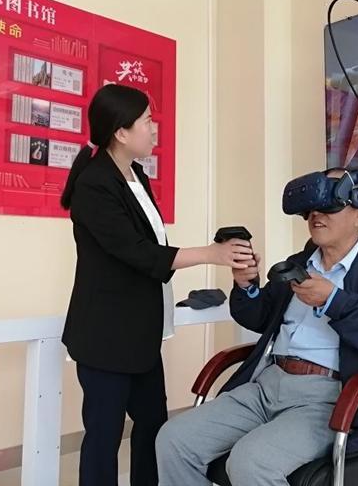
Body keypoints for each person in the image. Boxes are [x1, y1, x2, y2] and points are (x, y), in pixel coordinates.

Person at [156, 169, 358, 486]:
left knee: (250, 462)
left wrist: (334, 301)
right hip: (266, 384)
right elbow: (259, 317)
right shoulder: (299, 264)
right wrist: (246, 285)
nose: (316, 214)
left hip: (327, 399)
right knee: (174, 439)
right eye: (312, 207)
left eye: (330, 204)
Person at [61, 83, 254, 486]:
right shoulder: (94, 184)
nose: (154, 129)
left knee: (152, 426)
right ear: (121, 132)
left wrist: (212, 252)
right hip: (105, 337)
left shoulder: (136, 175)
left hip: (141, 333)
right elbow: (138, 253)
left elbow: (152, 247)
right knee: (104, 438)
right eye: (147, 121)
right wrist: (211, 254)